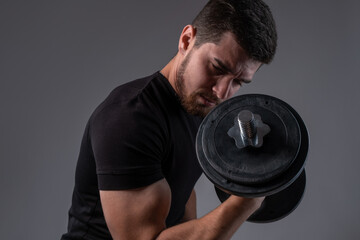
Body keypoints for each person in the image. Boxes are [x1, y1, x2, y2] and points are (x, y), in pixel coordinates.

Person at [61, 0, 277, 239]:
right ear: (186, 40)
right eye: (217, 67)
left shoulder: (197, 107)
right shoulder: (128, 120)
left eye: (238, 82)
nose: (222, 93)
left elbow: (182, 193)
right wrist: (245, 203)